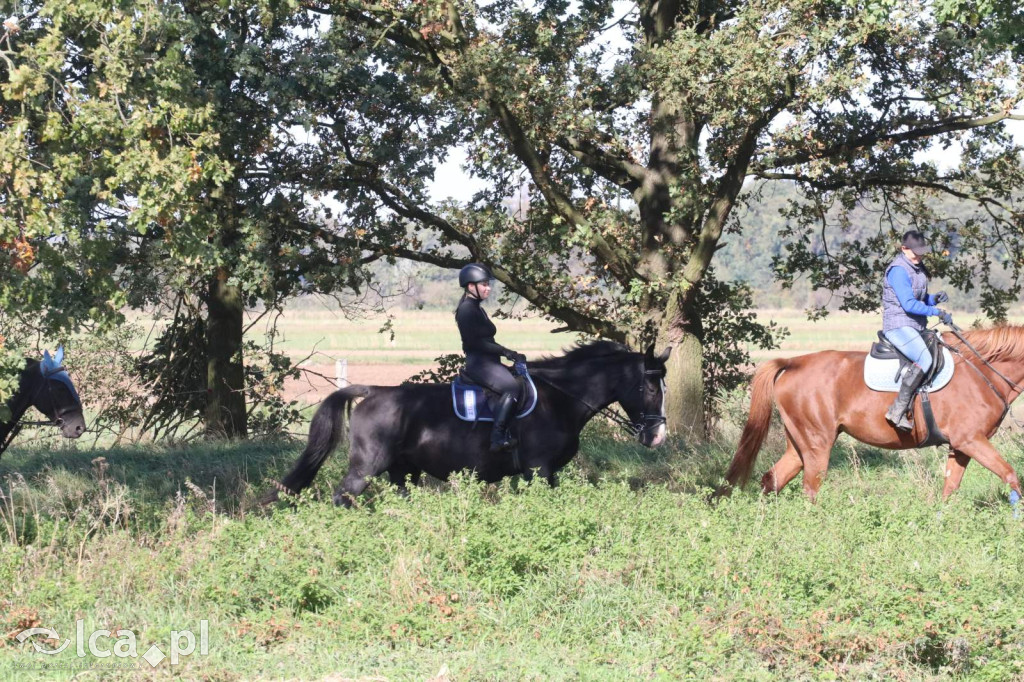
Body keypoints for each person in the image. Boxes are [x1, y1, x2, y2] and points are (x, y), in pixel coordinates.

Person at [881, 230, 953, 431]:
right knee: (925, 360)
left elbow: (920, 298)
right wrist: (937, 312)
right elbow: (909, 304)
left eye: (922, 252)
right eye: (916, 252)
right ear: (904, 248)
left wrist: (933, 299)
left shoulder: (917, 267)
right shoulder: (898, 270)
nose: (920, 255)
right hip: (898, 324)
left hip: (915, 325)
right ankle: (897, 410)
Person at [455, 263, 526, 452]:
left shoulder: (477, 307)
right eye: (484, 284)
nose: (488, 288)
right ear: (471, 286)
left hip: (489, 363)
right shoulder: (466, 310)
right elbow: (475, 343)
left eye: (488, 284)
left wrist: (509, 354)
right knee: (511, 387)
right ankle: (497, 438)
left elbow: (486, 339)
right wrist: (506, 352)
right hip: (479, 365)